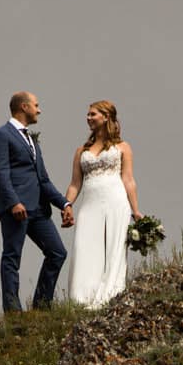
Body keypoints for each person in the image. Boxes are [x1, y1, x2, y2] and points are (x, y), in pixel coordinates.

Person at [0, 90, 73, 313]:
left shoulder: (32, 140)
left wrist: (64, 204)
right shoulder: (0, 135)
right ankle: (13, 312)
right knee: (12, 256)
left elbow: (43, 179)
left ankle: (41, 307)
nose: (39, 110)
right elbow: (1, 173)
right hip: (16, 208)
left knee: (57, 252)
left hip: (38, 209)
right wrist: (14, 202)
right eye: (36, 105)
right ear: (24, 107)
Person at [64, 100, 140, 309]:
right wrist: (67, 204)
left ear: (106, 117)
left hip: (116, 200)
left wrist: (135, 210)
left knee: (113, 247)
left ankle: (110, 295)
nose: (88, 118)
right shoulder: (81, 151)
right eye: (88, 115)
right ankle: (82, 298)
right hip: (90, 203)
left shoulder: (122, 147)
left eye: (93, 114)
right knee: (84, 247)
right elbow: (75, 183)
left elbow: (128, 179)